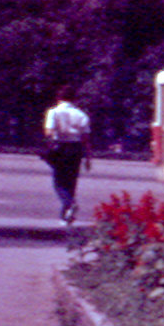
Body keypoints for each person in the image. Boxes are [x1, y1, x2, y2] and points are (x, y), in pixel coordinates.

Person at [42, 85, 92, 225]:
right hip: (76, 148)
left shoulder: (54, 112)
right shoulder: (82, 115)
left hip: (60, 147)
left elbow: (49, 132)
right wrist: (88, 158)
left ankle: (69, 204)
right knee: (71, 181)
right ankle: (66, 215)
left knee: (59, 182)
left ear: (59, 98)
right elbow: (86, 139)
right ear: (74, 99)